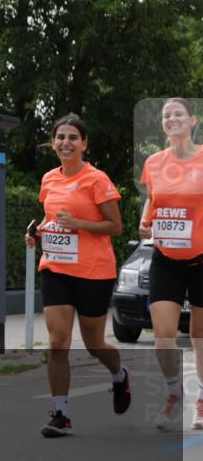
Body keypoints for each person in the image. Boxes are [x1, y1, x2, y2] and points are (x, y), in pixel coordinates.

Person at [25, 113, 130, 437]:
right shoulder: (48, 180)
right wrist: (37, 235)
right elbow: (52, 219)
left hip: (93, 271)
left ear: (84, 144)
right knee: (58, 342)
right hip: (56, 267)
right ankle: (62, 414)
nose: (66, 142)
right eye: (60, 137)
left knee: (94, 343)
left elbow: (116, 226)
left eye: (73, 137)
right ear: (53, 143)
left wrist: (80, 225)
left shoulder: (96, 179)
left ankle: (119, 375)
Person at [139, 97, 203, 431]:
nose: (172, 118)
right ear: (163, 124)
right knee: (163, 335)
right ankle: (175, 392)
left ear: (192, 121)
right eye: (166, 115)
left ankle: (202, 399)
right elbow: (152, 199)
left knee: (200, 335)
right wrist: (144, 221)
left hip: (201, 259)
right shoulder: (153, 162)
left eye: (178, 114)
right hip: (165, 258)